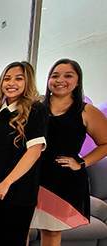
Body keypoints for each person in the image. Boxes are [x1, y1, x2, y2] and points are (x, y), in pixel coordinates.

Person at [30, 59, 107, 246]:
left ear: (78, 81)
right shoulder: (36, 106)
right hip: (31, 175)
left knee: (51, 232)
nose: (60, 80)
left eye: (68, 75)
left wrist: (81, 162)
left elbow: (105, 143)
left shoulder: (86, 111)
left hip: (61, 180)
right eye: (55, 75)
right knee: (22, 227)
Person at [0, 61, 47, 245]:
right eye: (7, 79)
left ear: (28, 82)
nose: (11, 83)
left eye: (19, 78)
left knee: (14, 240)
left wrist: (7, 183)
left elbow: (34, 151)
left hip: (19, 190)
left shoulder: (35, 109)